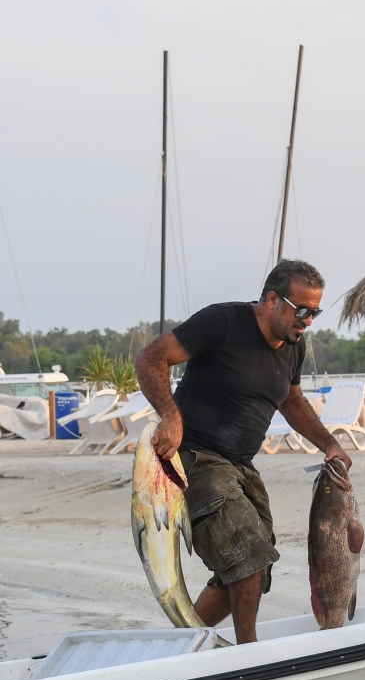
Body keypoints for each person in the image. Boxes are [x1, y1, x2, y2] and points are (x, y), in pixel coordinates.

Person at [135, 259, 351, 644]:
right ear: (273, 299)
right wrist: (170, 415)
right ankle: (247, 656)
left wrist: (330, 443)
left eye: (315, 312)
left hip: (241, 465)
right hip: (196, 458)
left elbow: (294, 402)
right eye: (302, 310)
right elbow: (151, 357)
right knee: (247, 559)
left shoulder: (293, 347)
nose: (308, 321)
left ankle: (179, 649)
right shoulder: (223, 322)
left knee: (256, 568)